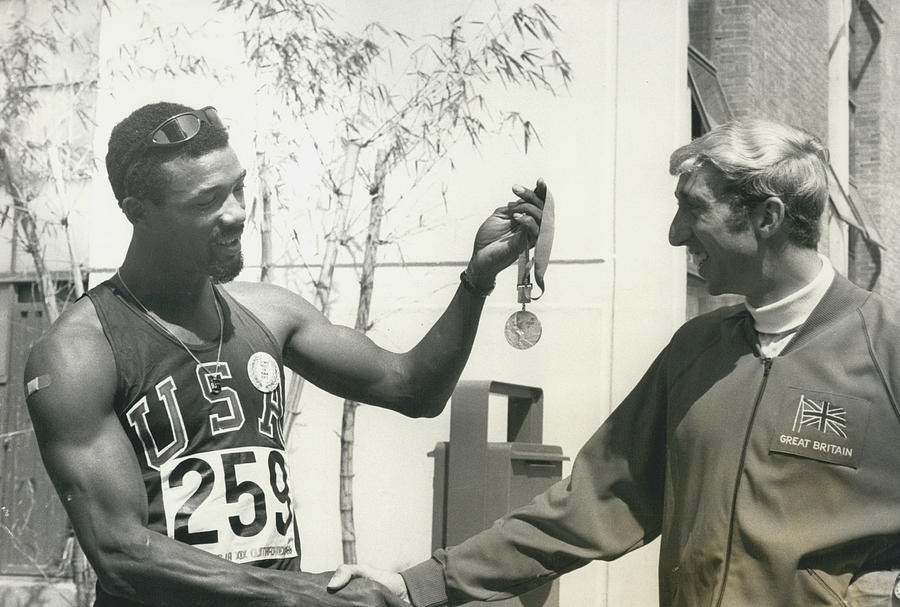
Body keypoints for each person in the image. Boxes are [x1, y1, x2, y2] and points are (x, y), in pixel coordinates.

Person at [330, 118, 900, 606]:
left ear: (766, 218)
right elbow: (592, 502)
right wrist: (422, 585)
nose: (676, 235)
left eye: (693, 210)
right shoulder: (695, 349)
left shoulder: (886, 350)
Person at [24, 101, 549, 607]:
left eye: (239, 189)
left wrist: (476, 280)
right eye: (207, 202)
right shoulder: (79, 352)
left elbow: (413, 389)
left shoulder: (270, 313)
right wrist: (302, 594)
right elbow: (121, 552)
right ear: (139, 212)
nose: (235, 215)